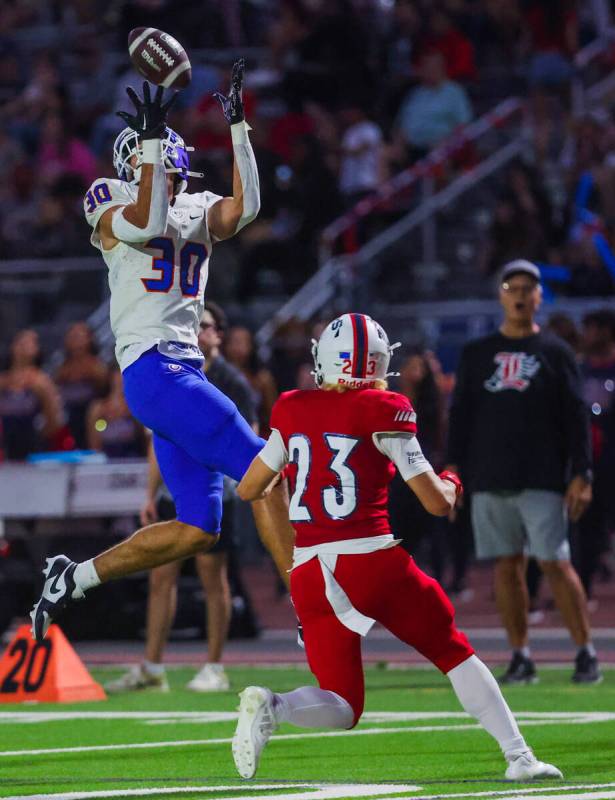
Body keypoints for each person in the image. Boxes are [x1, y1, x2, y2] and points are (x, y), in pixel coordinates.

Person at [230, 313, 562, 783]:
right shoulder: (385, 407)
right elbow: (434, 502)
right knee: (453, 651)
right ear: (379, 363)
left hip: (309, 570)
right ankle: (519, 756)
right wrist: (451, 480)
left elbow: (248, 490)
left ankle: (274, 705)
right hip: (370, 559)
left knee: (343, 705)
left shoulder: (290, 407)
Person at [30, 62, 295, 642]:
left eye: (176, 173)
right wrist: (151, 146)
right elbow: (146, 219)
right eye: (163, 171)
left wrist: (239, 129)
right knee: (267, 475)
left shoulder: (190, 206)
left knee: (199, 528)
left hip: (179, 374)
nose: (173, 183)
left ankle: (74, 577)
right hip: (154, 370)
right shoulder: (110, 199)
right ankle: (311, 607)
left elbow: (245, 209)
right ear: (139, 166)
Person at [446, 259, 599, 684]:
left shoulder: (556, 352)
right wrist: (453, 471)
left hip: (543, 476)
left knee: (555, 562)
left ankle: (585, 651)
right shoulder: (476, 354)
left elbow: (576, 418)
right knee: (506, 566)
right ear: (501, 295)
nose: (519, 294)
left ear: (538, 297)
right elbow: (461, 415)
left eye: (527, 288)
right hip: (491, 475)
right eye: (512, 286)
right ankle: (520, 654)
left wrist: (581, 473)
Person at [106, 302, 258, 693]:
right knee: (162, 575)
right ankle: (152, 666)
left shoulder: (230, 378)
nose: (198, 330)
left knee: (212, 577)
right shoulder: (168, 371)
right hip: (177, 481)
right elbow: (160, 437)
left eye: (206, 325)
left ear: (217, 334)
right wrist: (150, 491)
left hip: (219, 485)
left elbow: (247, 440)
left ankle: (214, 665)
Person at [0, 329, 63, 460]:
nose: (24, 345)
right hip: (6, 445)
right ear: (12, 347)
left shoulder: (42, 382)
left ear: (37, 350)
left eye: (30, 342)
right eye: (20, 341)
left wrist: (40, 438)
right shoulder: (3, 381)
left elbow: (55, 421)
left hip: (34, 445)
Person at [55, 322, 110, 449]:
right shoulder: (62, 370)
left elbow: (105, 391)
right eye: (73, 336)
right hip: (69, 416)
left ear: (89, 339)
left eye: (80, 335)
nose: (76, 340)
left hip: (92, 416)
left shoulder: (98, 367)